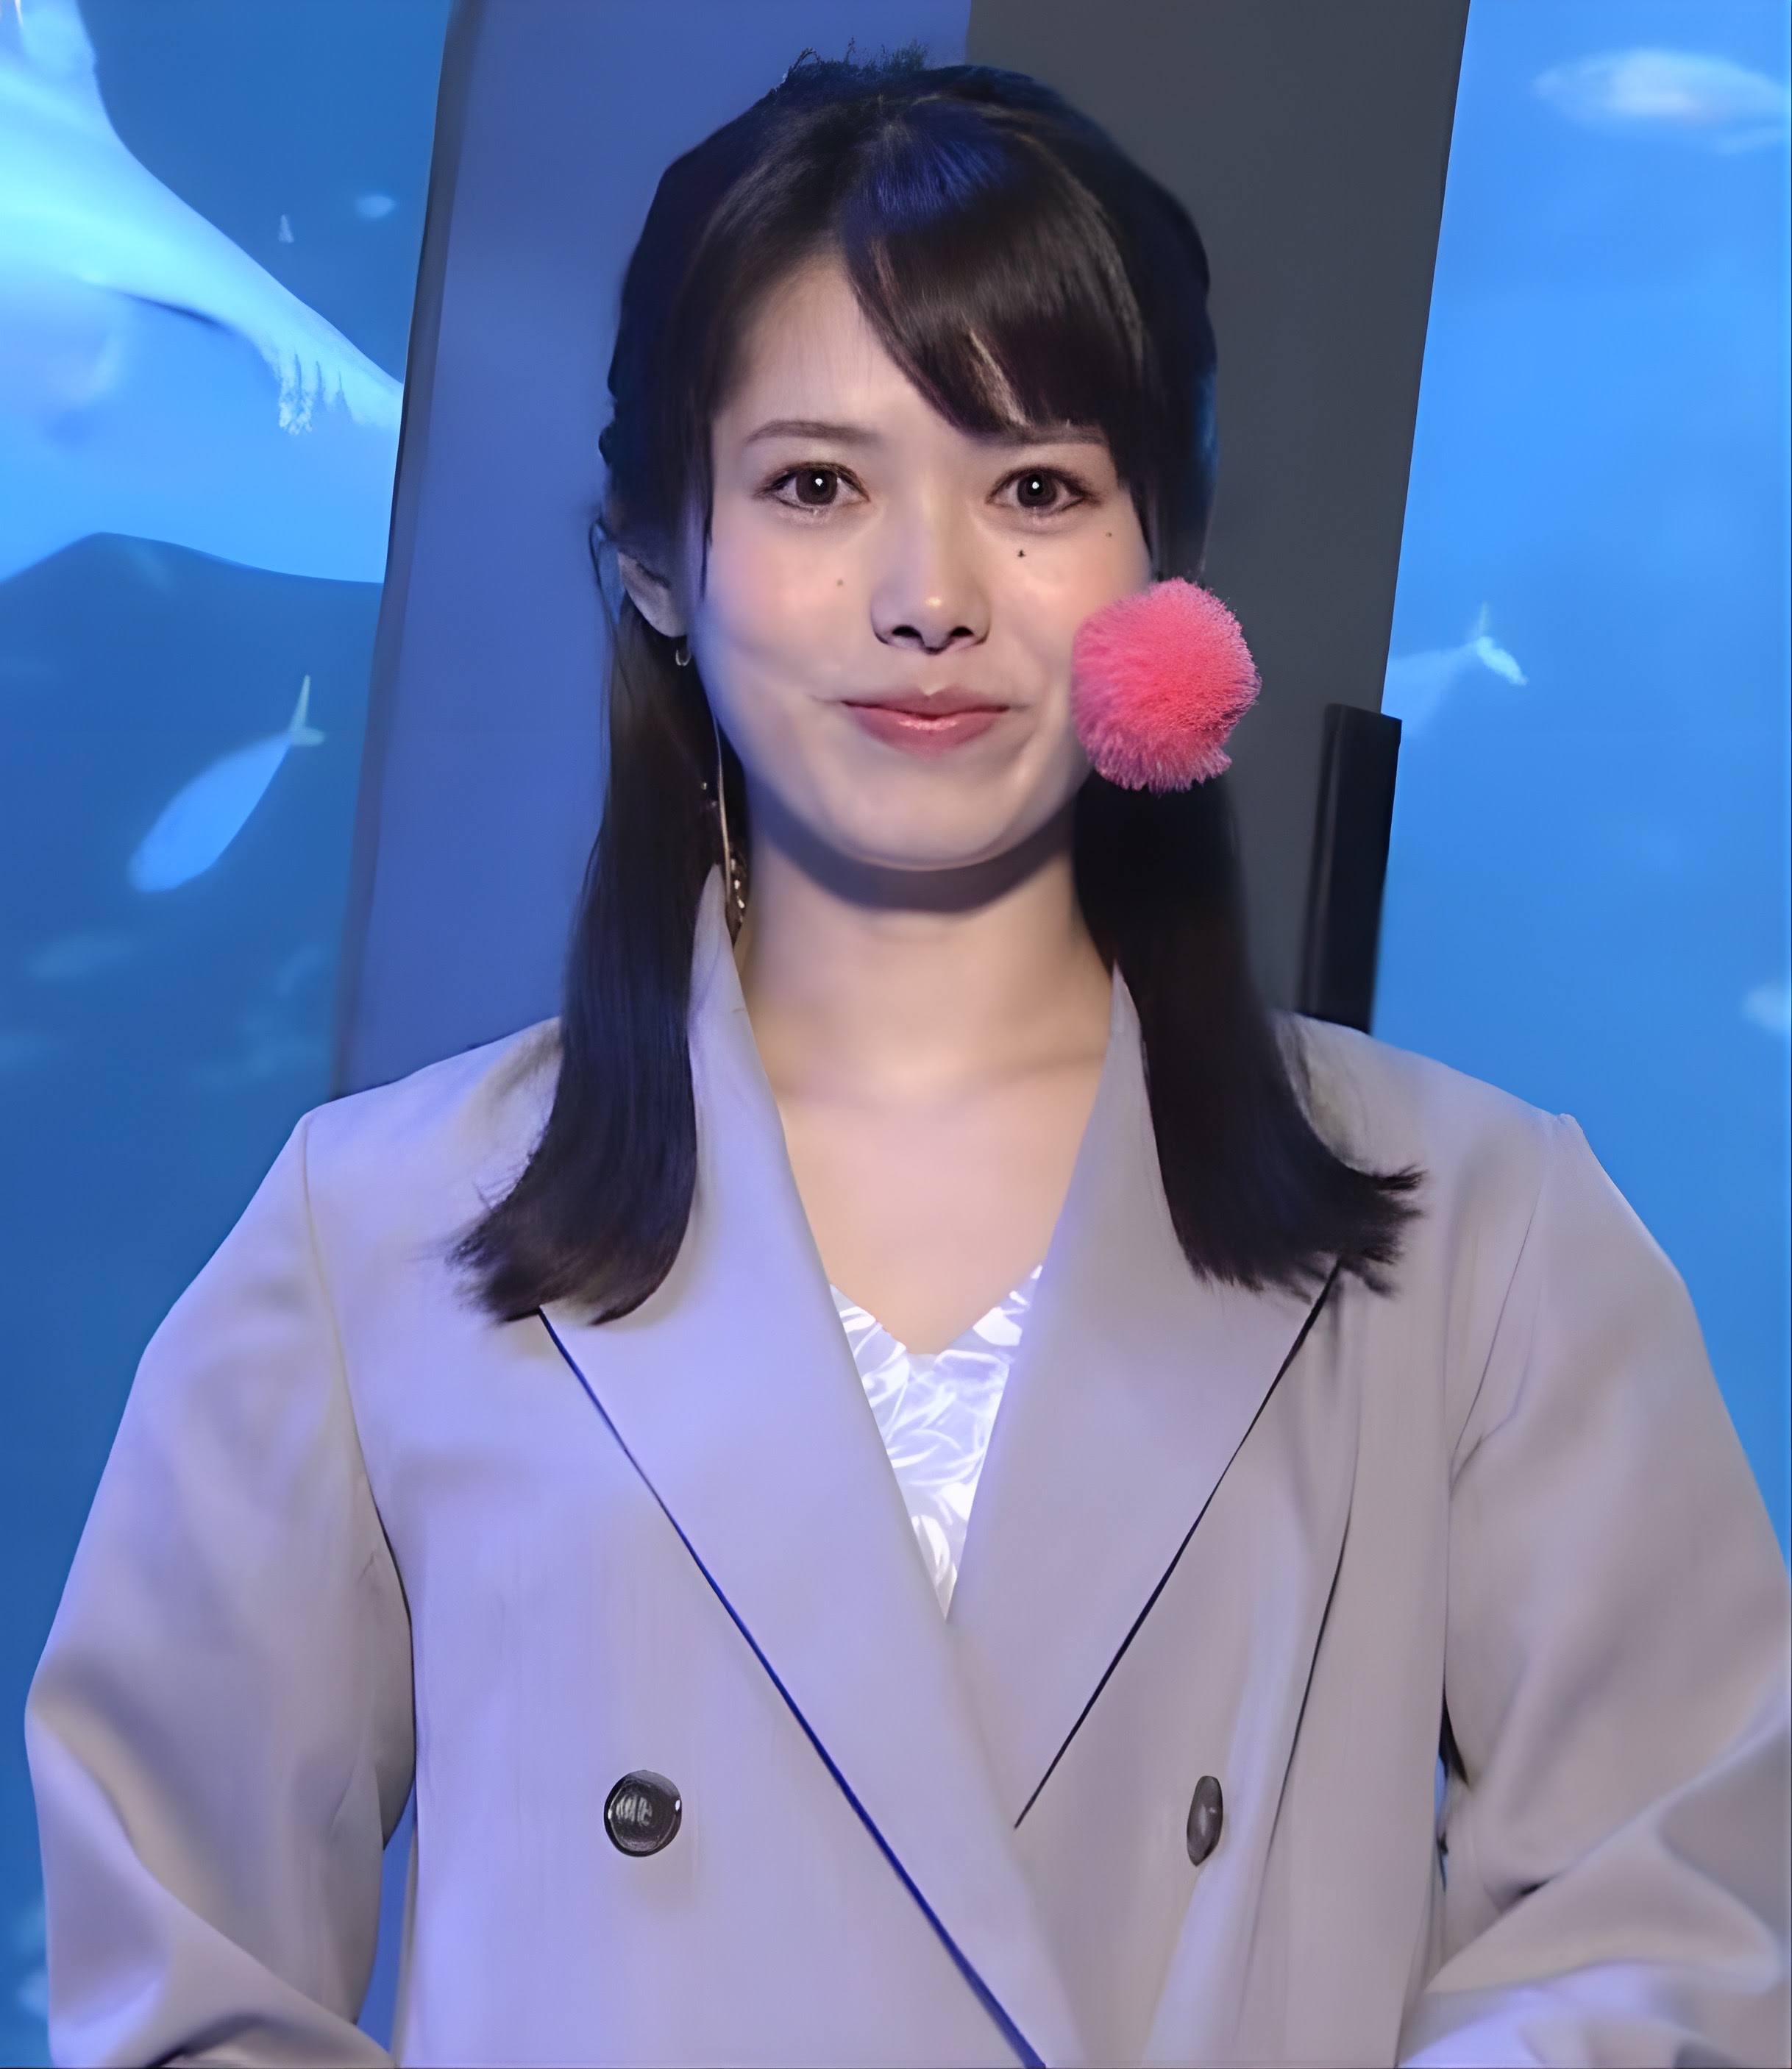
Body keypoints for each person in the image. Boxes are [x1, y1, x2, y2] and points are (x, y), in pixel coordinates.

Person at [27, 54, 1790, 2069]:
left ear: (1164, 562)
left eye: (1035, 488)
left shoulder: (1484, 1236)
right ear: (656, 559)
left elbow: (1673, 1926)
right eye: (815, 484)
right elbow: (181, 1975)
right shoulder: (373, 1235)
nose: (928, 596)